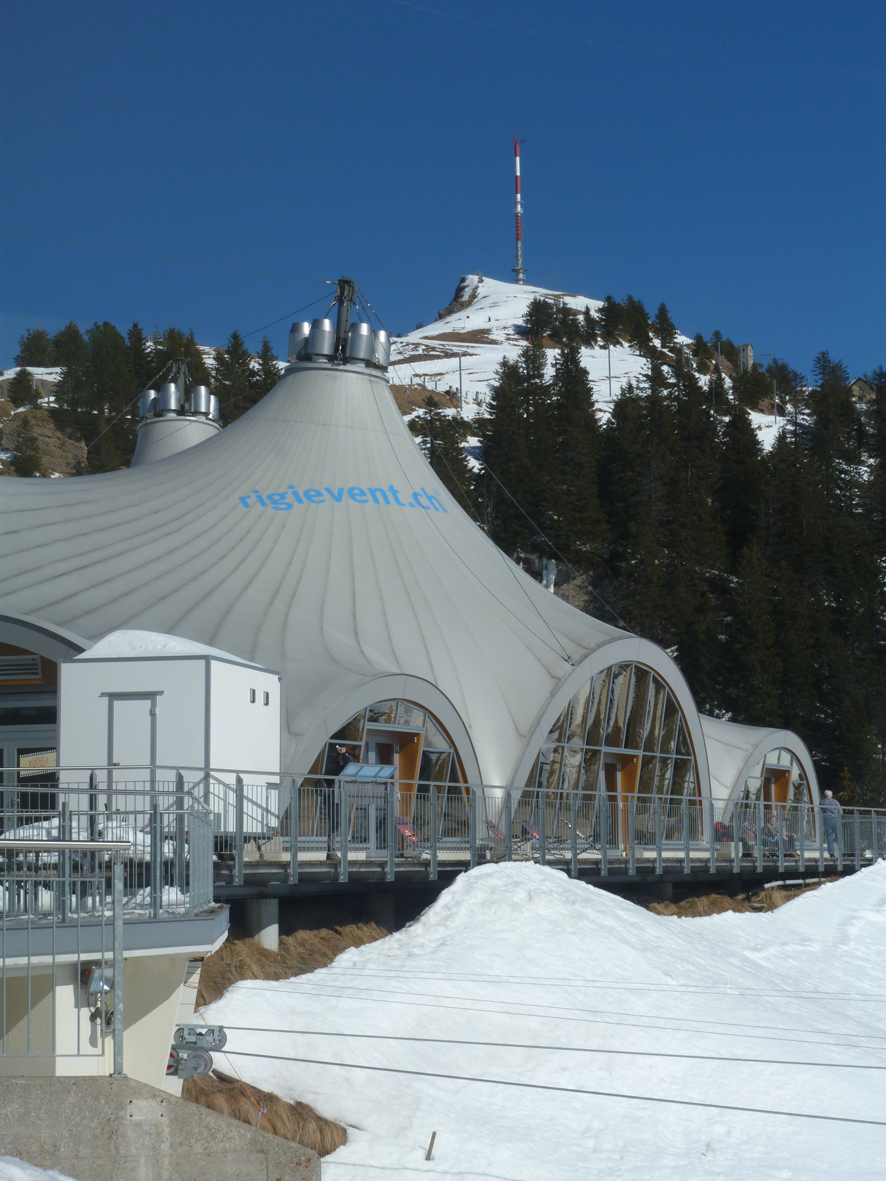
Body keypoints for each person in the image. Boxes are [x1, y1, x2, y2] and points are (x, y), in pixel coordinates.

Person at [821, 790, 842, 859]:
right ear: (831, 795)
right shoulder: (835, 802)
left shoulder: (822, 802)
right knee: (838, 836)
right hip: (835, 819)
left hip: (827, 820)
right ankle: (842, 852)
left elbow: (821, 811)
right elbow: (840, 811)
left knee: (829, 836)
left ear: (825, 795)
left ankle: (831, 853)